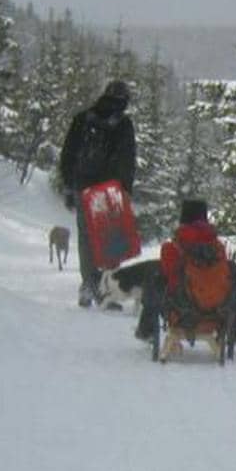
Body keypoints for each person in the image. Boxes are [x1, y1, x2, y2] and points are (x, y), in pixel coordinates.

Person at [58, 80, 138, 308]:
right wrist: (125, 190)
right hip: (110, 189)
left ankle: (88, 285)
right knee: (112, 239)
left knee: (86, 237)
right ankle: (108, 289)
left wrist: (68, 185)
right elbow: (127, 159)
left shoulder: (83, 119)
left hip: (83, 186)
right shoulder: (123, 124)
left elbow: (68, 153)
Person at [135, 198, 236, 343]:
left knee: (154, 272)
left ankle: (146, 326)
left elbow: (170, 278)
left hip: (182, 313)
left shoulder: (172, 248)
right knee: (233, 270)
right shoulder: (218, 248)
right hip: (217, 311)